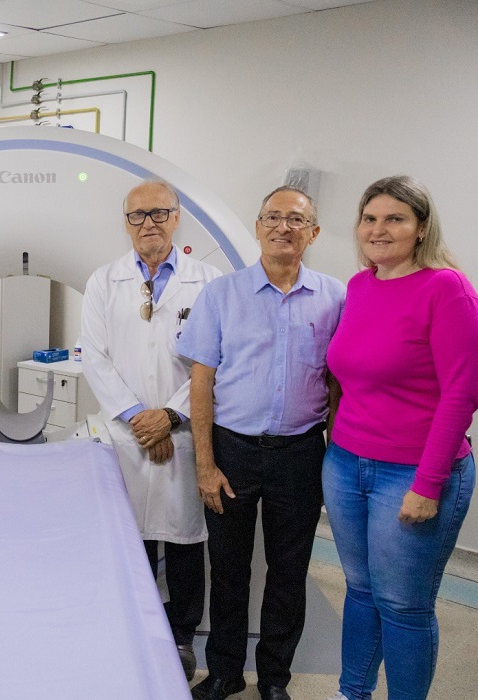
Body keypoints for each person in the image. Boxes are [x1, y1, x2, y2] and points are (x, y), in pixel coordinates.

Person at [323, 176, 478, 700]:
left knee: (403, 605)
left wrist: (428, 483)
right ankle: (353, 693)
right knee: (360, 591)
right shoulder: (360, 285)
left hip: (414, 472)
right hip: (346, 463)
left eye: (395, 218)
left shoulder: (447, 290)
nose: (379, 229)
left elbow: (461, 396)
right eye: (369, 218)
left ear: (421, 227)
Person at [177, 187, 345, 700]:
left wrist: (334, 454)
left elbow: (338, 384)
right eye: (272, 217)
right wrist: (205, 464)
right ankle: (225, 673)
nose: (282, 227)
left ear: (313, 232)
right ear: (257, 227)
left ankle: (274, 679)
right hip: (233, 450)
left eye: (295, 219)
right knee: (228, 570)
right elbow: (201, 385)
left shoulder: (336, 297)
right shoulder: (221, 295)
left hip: (300, 453)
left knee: (289, 573)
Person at [81, 178, 221, 681]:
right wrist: (140, 417)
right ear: (126, 223)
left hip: (184, 432)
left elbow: (214, 359)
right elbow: (94, 358)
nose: (148, 224)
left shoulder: (209, 282)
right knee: (130, 541)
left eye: (159, 213)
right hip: (128, 436)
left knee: (184, 542)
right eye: (137, 215)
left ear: (176, 218)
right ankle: (132, 628)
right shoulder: (104, 281)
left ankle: (181, 638)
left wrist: (170, 416)